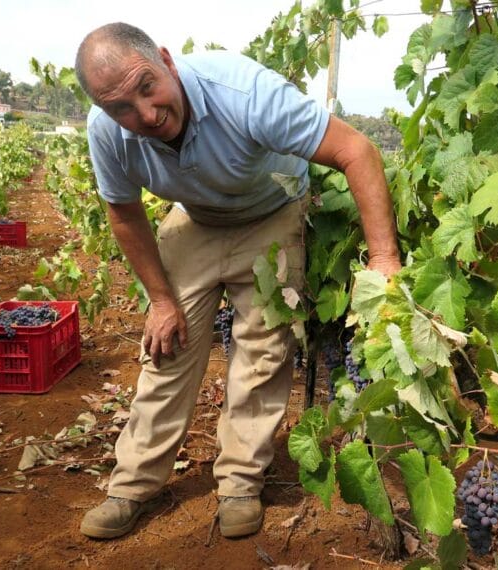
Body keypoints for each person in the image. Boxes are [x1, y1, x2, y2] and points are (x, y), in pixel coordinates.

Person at [74, 22, 401, 540]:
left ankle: (240, 484)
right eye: (121, 108)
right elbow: (124, 213)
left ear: (166, 59)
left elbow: (356, 151)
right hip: (197, 217)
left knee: (263, 351)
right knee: (167, 349)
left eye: (146, 87)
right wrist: (161, 299)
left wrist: (384, 258)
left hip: (272, 213)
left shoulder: (243, 93)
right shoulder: (108, 132)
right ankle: (132, 486)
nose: (146, 115)